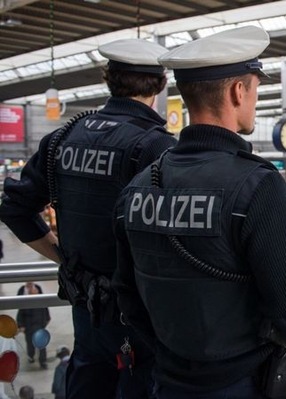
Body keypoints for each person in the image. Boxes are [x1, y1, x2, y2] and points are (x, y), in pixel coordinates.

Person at [112, 27, 286, 397]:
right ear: (239, 92)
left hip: (168, 380)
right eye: (255, 88)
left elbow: (127, 294)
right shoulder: (256, 184)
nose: (254, 99)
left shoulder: (140, 185)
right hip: (240, 384)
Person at [0, 38, 178, 397]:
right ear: (161, 85)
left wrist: (62, 256)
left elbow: (15, 208)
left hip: (86, 310)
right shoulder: (157, 146)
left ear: (108, 78)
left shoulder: (62, 138)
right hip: (140, 317)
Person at [16, 282, 50, 369]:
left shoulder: (38, 288)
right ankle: (30, 355)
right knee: (29, 341)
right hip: (28, 321)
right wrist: (20, 324)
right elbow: (20, 308)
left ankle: (43, 361)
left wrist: (47, 317)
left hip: (38, 320)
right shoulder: (22, 290)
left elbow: (43, 303)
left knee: (41, 342)